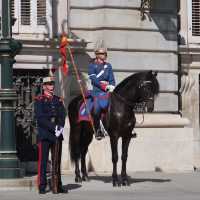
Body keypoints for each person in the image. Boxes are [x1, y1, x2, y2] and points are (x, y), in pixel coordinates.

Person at [34, 76, 67, 194]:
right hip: (45, 134)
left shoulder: (58, 100)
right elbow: (40, 118)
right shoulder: (39, 100)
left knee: (56, 161)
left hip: (57, 135)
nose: (51, 86)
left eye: (52, 84)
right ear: (44, 86)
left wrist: (60, 127)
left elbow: (63, 115)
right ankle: (42, 186)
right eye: (48, 84)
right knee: (43, 162)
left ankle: (57, 185)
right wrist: (54, 127)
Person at [88, 47, 115, 140]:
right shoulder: (92, 66)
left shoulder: (108, 66)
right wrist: (104, 86)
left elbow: (111, 78)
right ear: (97, 55)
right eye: (103, 54)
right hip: (97, 91)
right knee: (96, 110)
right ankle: (97, 129)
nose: (105, 55)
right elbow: (94, 80)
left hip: (108, 91)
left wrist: (112, 86)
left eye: (105, 54)